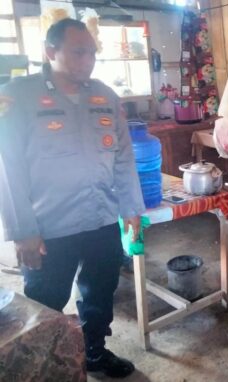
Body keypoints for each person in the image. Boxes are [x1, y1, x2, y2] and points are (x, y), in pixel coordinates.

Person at [0, 18, 144, 378]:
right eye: (78, 51)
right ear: (50, 51)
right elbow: (8, 168)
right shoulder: (19, 96)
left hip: (101, 219)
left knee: (99, 294)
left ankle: (94, 352)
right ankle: (41, 366)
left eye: (92, 52)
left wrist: (131, 210)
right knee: (43, 303)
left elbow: (124, 158)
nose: (88, 59)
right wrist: (22, 231)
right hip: (48, 227)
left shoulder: (106, 97)